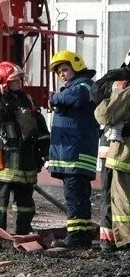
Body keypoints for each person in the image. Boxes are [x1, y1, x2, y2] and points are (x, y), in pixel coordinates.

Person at [0, 62, 50, 239]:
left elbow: (40, 128)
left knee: (25, 203)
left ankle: (23, 232)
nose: (19, 82)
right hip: (4, 160)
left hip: (26, 160)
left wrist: (46, 151)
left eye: (20, 79)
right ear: (3, 81)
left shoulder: (28, 100)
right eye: (14, 80)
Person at [47, 49, 98, 248]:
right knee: (78, 195)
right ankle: (83, 235)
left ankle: (76, 237)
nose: (62, 74)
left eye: (65, 69)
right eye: (59, 72)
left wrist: (53, 98)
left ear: (76, 66)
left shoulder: (84, 84)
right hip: (71, 153)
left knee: (74, 196)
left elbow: (77, 97)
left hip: (76, 154)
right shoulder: (73, 87)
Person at [93, 49, 130, 252]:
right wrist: (117, 88)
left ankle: (115, 240)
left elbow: (103, 113)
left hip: (121, 150)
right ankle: (109, 240)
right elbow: (95, 92)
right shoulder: (119, 76)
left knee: (119, 196)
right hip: (113, 147)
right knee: (110, 194)